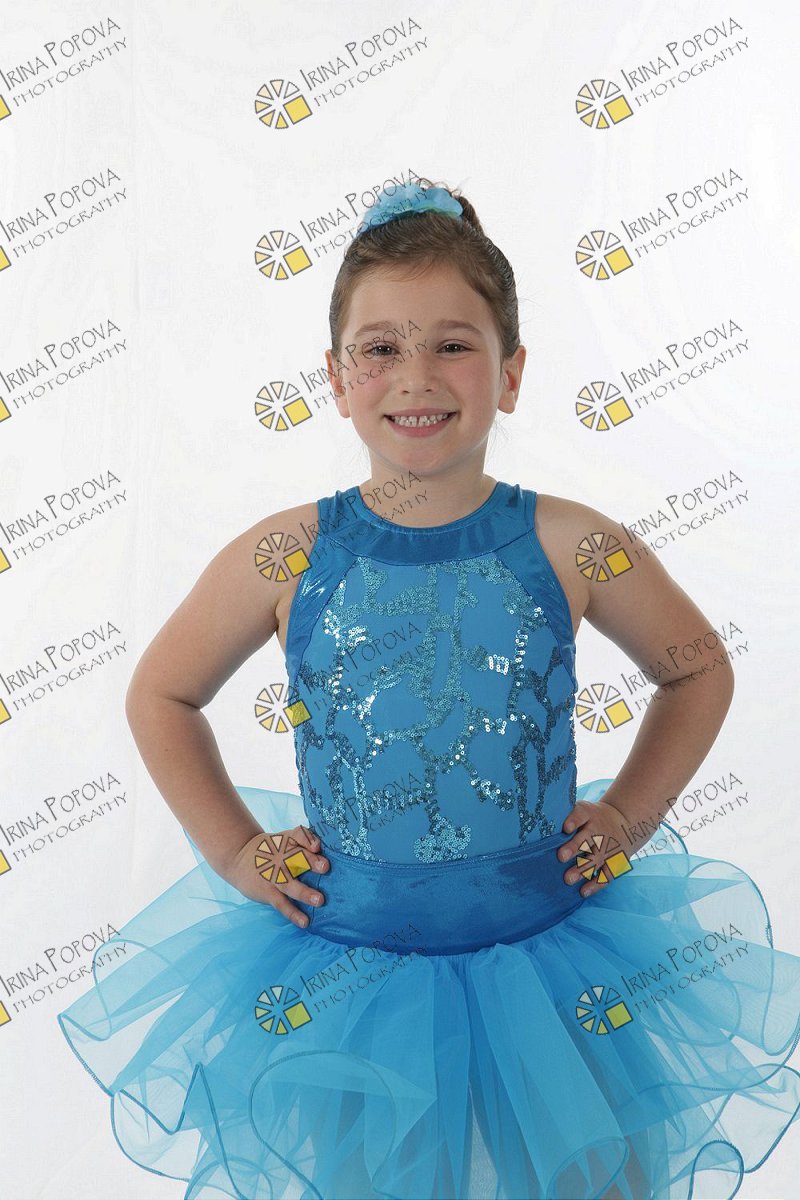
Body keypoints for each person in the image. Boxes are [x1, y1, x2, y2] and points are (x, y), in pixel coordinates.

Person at [57, 177, 800, 1200]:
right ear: (335, 377)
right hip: (353, 977)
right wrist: (233, 849)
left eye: (453, 344)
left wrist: (630, 813)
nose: (416, 376)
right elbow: (162, 695)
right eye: (379, 348)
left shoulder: (573, 543)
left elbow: (696, 668)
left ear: (512, 372)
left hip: (552, 961)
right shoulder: (285, 555)